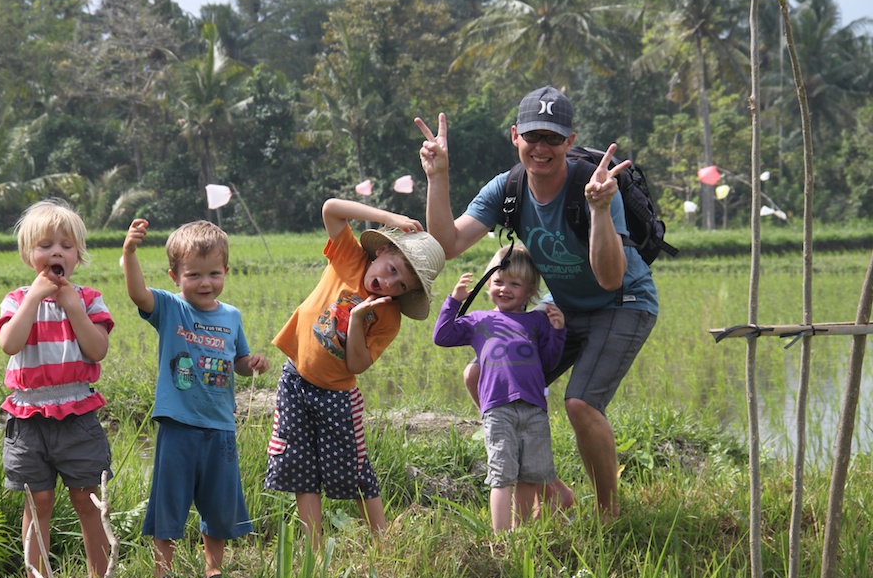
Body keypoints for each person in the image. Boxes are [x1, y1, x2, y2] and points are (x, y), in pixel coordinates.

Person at [416, 85, 659, 519]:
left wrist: (601, 209)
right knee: (481, 374)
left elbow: (610, 276)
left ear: (569, 141)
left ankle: (609, 515)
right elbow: (447, 243)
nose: (541, 148)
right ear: (515, 137)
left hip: (623, 301)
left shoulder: (596, 186)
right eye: (533, 136)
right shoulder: (507, 189)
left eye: (552, 138)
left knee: (581, 403)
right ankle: (553, 488)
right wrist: (437, 177)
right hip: (564, 307)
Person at [264, 198, 446, 549]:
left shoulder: (388, 318)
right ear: (381, 253)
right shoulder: (348, 257)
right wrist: (390, 217)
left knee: (354, 467)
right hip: (295, 381)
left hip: (337, 396)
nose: (389, 285)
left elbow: (357, 365)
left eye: (402, 286)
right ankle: (314, 549)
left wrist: (360, 320)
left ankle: (382, 543)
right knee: (301, 468)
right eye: (392, 270)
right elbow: (332, 208)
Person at [122, 218, 270, 578]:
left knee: (219, 502)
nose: (205, 283)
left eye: (214, 274)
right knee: (169, 501)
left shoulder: (232, 317)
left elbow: (238, 363)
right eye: (194, 275)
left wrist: (251, 365)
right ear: (174, 276)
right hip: (179, 424)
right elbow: (139, 294)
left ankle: (213, 567)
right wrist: (129, 253)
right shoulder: (171, 309)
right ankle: (163, 572)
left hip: (220, 425)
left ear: (226, 272)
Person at [0, 198, 114, 578]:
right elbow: (10, 343)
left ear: (78, 255)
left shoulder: (89, 299)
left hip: (77, 413)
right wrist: (34, 297)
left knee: (87, 498)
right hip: (28, 417)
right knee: (37, 501)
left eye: (66, 245)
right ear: (30, 256)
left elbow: (96, 349)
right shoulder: (16, 300)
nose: (56, 252)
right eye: (45, 245)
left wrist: (71, 306)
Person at [433, 244, 569, 532]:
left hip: (533, 408)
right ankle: (501, 539)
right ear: (488, 283)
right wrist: (454, 302)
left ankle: (521, 534)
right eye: (497, 282)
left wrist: (557, 332)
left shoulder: (536, 321)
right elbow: (442, 336)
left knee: (529, 477)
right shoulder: (479, 320)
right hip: (498, 409)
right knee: (501, 475)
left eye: (514, 284)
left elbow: (547, 363)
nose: (504, 289)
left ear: (531, 291)